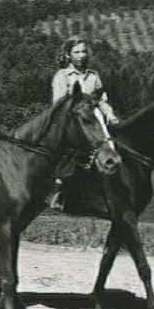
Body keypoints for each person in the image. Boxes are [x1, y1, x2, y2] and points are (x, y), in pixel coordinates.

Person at [48, 38, 114, 210]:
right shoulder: (62, 76)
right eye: (76, 52)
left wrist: (110, 114)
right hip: (71, 120)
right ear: (68, 55)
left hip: (92, 120)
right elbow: (59, 105)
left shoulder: (93, 76)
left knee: (110, 142)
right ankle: (58, 187)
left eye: (83, 51)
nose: (81, 55)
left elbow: (102, 99)